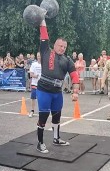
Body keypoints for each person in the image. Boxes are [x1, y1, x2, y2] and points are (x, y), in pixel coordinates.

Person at [36, 19, 79, 153]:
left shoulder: (67, 60)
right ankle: (40, 143)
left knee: (57, 116)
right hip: (44, 90)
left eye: (65, 47)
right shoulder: (46, 51)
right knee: (43, 117)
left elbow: (74, 76)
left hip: (57, 93)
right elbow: (44, 35)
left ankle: (56, 138)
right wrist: (42, 19)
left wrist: (75, 91)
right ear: (55, 45)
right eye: (60, 46)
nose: (62, 48)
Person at [29, 52, 41, 118]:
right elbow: (31, 74)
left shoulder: (44, 65)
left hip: (42, 85)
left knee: (41, 98)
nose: (39, 57)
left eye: (40, 56)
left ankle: (41, 111)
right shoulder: (34, 64)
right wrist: (35, 76)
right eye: (38, 56)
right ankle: (32, 111)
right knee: (33, 98)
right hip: (34, 83)